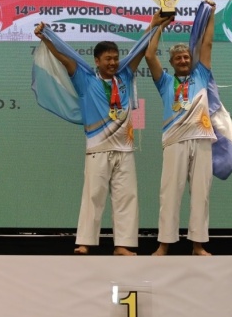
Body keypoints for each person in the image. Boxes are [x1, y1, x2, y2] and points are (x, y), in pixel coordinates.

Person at [33, 22, 159, 255]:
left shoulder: (124, 76)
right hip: (97, 149)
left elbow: (140, 48)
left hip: (125, 150)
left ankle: (122, 246)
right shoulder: (85, 80)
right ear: (97, 61)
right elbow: (64, 57)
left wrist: (156, 24)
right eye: (108, 59)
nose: (113, 63)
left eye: (115, 58)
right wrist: (46, 37)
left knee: (126, 198)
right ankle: (85, 243)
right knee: (93, 197)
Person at [145, 0, 216, 256]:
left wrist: (211, 14)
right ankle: (164, 244)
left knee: (201, 194)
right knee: (170, 194)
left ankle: (198, 245)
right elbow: (149, 55)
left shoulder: (201, 75)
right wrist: (159, 26)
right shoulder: (164, 81)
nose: (184, 60)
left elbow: (207, 44)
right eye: (178, 58)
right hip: (174, 140)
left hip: (201, 138)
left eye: (186, 57)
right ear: (172, 63)